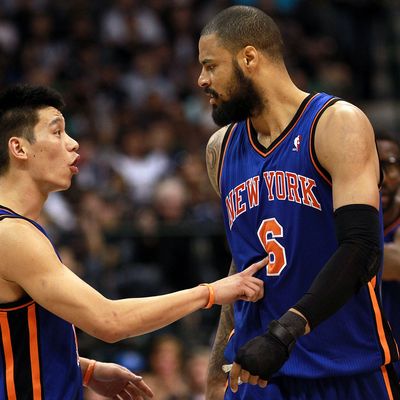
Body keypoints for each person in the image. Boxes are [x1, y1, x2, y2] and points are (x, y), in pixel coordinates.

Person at [0, 84, 266, 400]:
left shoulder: (15, 230)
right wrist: (211, 292)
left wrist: (84, 369)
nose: (73, 144)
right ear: (19, 148)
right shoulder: (11, 235)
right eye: (57, 133)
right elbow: (109, 321)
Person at [197, 5, 400, 400]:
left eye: (210, 65)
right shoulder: (219, 150)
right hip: (255, 373)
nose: (201, 79)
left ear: (249, 57)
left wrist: (285, 332)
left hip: (343, 365)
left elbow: (361, 249)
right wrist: (214, 370)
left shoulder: (336, 122)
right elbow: (242, 265)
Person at [376, 133, 400, 376]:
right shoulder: (338, 220)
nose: (381, 177)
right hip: (369, 365)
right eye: (373, 165)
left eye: (389, 165)